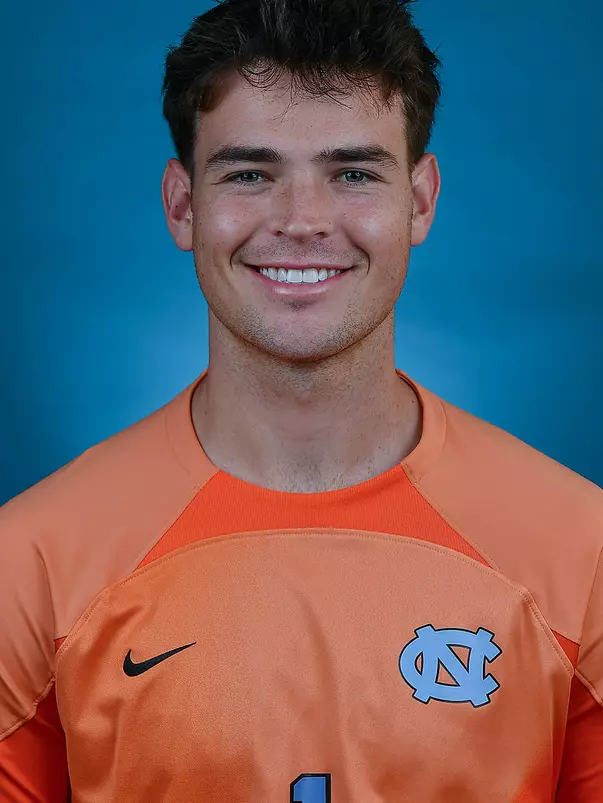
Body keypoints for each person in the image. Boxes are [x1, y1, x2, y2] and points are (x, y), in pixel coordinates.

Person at [1, 0, 602, 800]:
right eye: (250, 174)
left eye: (352, 173)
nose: (301, 221)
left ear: (419, 200)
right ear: (182, 205)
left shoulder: (579, 548)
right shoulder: (32, 561)